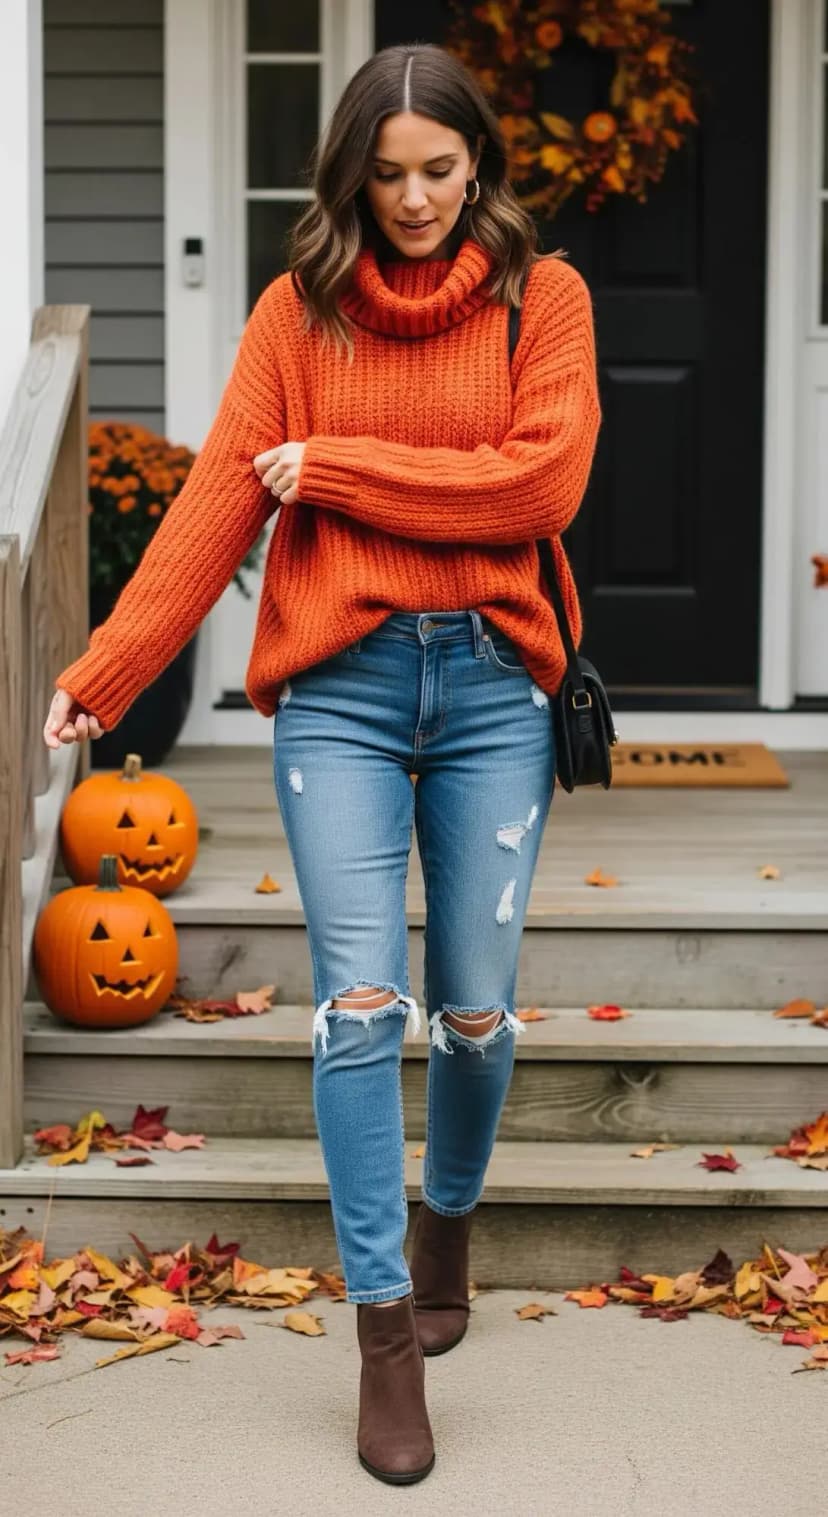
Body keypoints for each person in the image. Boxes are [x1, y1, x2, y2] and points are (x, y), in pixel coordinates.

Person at [44, 42, 601, 1488]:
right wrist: (103, 674)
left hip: (492, 689)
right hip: (338, 694)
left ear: (477, 163)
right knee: (362, 1006)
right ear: (348, 169)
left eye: (438, 168)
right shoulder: (300, 314)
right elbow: (218, 502)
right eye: (386, 171)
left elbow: (541, 484)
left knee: (475, 1013)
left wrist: (341, 470)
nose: (412, 198)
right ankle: (382, 1338)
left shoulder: (548, 302)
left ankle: (448, 1219)